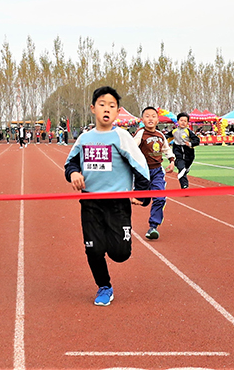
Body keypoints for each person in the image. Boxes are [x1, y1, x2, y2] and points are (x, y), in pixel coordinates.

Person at [64, 86, 150, 306]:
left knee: (120, 253)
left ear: (118, 111)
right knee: (93, 249)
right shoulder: (84, 138)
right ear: (93, 108)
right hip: (90, 202)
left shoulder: (121, 137)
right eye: (102, 104)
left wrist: (143, 193)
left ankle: (117, 247)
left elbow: (139, 164)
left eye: (112, 106)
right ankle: (104, 287)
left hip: (117, 203)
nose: (106, 109)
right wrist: (74, 173)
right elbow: (71, 162)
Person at [132, 107, 175, 240]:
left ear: (157, 120)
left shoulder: (160, 135)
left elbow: (166, 149)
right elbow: (132, 149)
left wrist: (172, 160)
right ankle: (143, 199)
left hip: (157, 171)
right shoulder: (140, 134)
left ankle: (153, 227)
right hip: (142, 173)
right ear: (142, 120)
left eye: (153, 116)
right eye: (147, 116)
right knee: (140, 200)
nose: (150, 119)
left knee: (160, 198)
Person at [172, 112, 200, 189]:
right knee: (181, 168)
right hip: (178, 152)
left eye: (185, 121)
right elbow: (165, 137)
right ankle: (184, 186)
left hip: (189, 153)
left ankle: (186, 168)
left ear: (187, 123)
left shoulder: (189, 132)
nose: (183, 122)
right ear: (177, 121)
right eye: (181, 120)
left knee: (185, 168)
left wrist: (190, 143)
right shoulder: (174, 131)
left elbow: (197, 140)